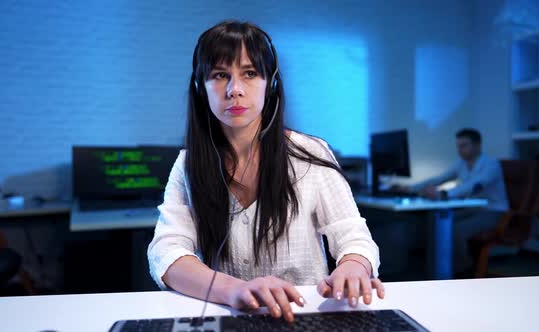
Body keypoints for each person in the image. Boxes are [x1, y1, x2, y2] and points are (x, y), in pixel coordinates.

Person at [147, 21, 384, 322]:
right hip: (227, 318)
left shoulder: (311, 153)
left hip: (304, 319)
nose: (235, 90)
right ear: (200, 87)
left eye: (250, 73)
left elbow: (354, 237)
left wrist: (353, 266)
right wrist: (235, 290)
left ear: (270, 83)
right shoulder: (187, 165)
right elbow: (166, 254)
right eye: (220, 75)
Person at [402, 128, 509, 272]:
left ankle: (462, 270)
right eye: (458, 146)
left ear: (477, 145)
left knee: (455, 230)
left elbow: (473, 186)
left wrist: (442, 194)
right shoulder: (461, 163)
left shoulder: (491, 165)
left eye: (464, 145)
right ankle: (433, 267)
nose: (459, 150)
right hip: (472, 208)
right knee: (435, 220)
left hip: (493, 212)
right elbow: (439, 179)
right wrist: (411, 188)